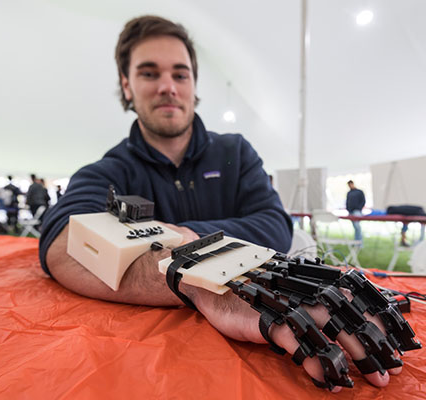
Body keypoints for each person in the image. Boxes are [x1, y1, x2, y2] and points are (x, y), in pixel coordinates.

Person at [39, 16, 400, 390]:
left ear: (194, 85)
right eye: (149, 74)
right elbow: (63, 242)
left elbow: (275, 223)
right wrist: (200, 280)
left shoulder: (236, 152)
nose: (167, 86)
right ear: (126, 86)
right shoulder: (109, 170)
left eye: (180, 74)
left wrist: (190, 238)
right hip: (156, 369)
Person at [345, 180, 365, 245]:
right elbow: (347, 202)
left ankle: (359, 243)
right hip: (350, 211)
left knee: (357, 227)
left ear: (352, 184)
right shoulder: (349, 193)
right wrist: (348, 209)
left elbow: (363, 201)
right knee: (355, 227)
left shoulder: (359, 192)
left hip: (357, 211)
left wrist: (359, 208)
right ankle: (356, 241)